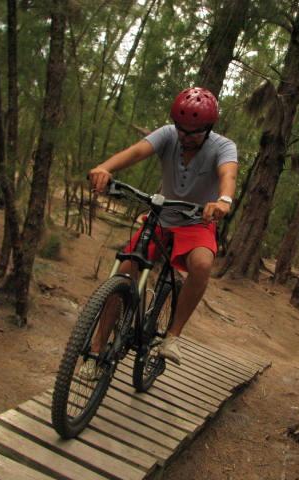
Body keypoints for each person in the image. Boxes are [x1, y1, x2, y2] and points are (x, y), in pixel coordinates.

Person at [86, 87, 238, 372]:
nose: (185, 136)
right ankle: (96, 350)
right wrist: (104, 168)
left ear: (208, 128)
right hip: (162, 217)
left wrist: (223, 200)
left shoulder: (223, 147)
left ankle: (172, 336)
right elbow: (135, 152)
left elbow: (227, 174)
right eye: (182, 129)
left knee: (202, 264)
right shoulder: (169, 134)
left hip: (197, 221)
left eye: (193, 132)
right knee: (123, 273)